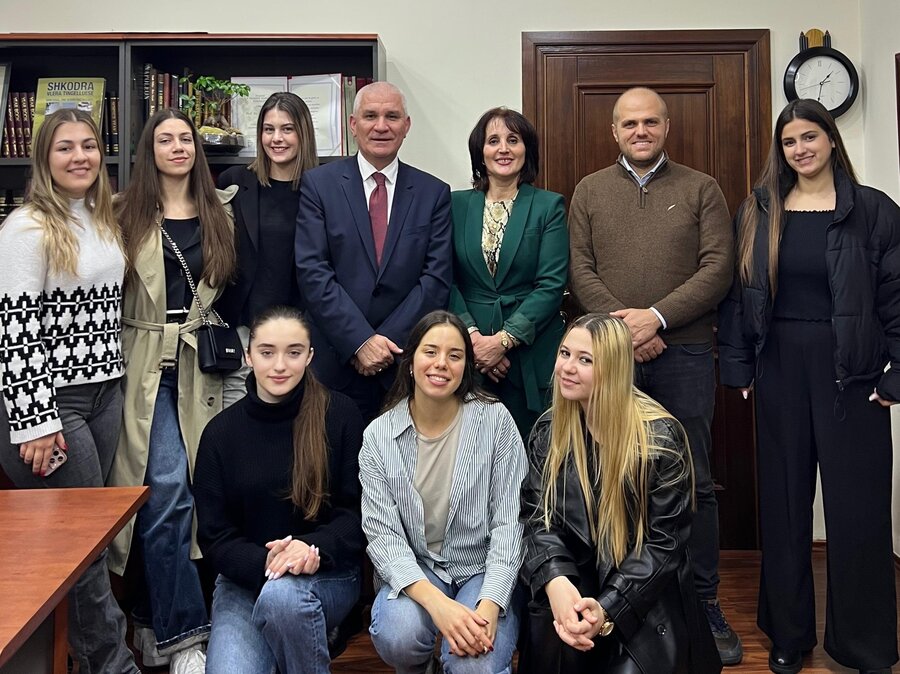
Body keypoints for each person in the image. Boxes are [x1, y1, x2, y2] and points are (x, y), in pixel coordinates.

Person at [717, 99, 899, 674]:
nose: (801, 149)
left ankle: (865, 646)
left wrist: (897, 373)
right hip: (780, 370)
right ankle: (789, 635)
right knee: (785, 507)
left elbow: (897, 295)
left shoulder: (873, 210)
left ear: (831, 139)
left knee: (858, 513)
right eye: (790, 141)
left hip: (855, 377)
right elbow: (738, 294)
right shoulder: (759, 210)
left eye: (810, 137)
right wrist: (739, 367)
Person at [567, 86, 740, 664]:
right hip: (608, 360)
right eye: (629, 124)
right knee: (607, 474)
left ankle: (703, 601)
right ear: (614, 131)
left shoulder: (701, 188)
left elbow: (718, 268)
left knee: (693, 481)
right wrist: (627, 332)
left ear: (667, 127)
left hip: (684, 355)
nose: (640, 132)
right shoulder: (590, 190)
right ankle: (615, 601)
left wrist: (657, 317)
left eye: (650, 122)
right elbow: (579, 269)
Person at [0, 108, 139, 673]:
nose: (80, 156)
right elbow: (15, 328)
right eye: (65, 147)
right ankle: (114, 666)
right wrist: (35, 420)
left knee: (85, 541)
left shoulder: (100, 217)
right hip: (54, 404)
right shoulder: (26, 229)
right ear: (44, 158)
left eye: (88, 145)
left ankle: (85, 659)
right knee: (83, 547)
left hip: (104, 392)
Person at [519, 313, 722, 674]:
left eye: (585, 360)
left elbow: (663, 545)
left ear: (612, 369)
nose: (567, 368)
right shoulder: (548, 432)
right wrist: (556, 581)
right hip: (574, 583)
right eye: (565, 354)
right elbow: (537, 520)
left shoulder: (660, 439)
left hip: (642, 594)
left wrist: (609, 607)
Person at [108, 108, 237, 673]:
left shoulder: (222, 212)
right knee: (165, 489)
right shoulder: (122, 213)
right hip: (144, 367)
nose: (179, 147)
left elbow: (235, 290)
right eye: (166, 139)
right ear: (149, 151)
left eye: (186, 138)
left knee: (205, 493)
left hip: (203, 370)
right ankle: (184, 638)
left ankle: (150, 614)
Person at [193, 305, 365, 674]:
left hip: (327, 573)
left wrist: (311, 547)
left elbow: (356, 515)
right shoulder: (220, 434)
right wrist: (268, 563)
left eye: (294, 352)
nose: (280, 366)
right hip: (246, 581)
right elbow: (214, 536)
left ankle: (310, 629)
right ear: (248, 356)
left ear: (310, 356)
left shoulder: (340, 415)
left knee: (285, 600)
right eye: (267, 352)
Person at [360, 310, 526, 674]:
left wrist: (490, 604)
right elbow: (383, 536)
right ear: (410, 362)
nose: (441, 364)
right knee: (398, 635)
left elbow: (509, 523)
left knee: (474, 663)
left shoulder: (496, 421)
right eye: (430, 352)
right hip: (419, 568)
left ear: (466, 367)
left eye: (455, 355)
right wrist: (439, 606)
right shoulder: (377, 437)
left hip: (481, 568)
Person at [295, 81, 453, 422]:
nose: (381, 126)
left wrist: (385, 343)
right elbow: (312, 271)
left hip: (403, 366)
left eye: (392, 116)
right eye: (370, 116)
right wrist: (359, 340)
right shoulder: (319, 185)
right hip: (335, 363)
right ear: (353, 125)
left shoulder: (434, 193)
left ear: (406, 126)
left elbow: (436, 279)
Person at [449, 107, 568, 438]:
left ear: (526, 149)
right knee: (472, 452)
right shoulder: (454, 204)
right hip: (468, 353)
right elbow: (445, 279)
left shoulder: (549, 206)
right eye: (493, 141)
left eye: (513, 140)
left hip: (530, 350)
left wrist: (503, 341)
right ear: (480, 152)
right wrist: (475, 341)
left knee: (534, 449)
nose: (503, 149)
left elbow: (551, 284)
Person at [217, 92, 318, 406]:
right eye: (268, 129)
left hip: (299, 332)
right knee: (239, 418)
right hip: (242, 331)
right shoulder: (234, 182)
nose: (277, 139)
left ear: (303, 133)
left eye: (287, 129)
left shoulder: (322, 188)